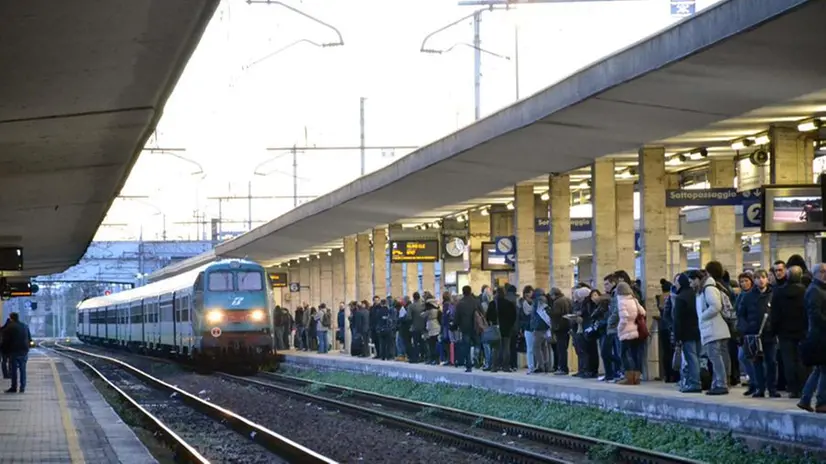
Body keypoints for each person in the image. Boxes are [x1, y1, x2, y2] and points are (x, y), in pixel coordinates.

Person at [689, 269, 731, 396]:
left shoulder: (709, 289)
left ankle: (721, 384)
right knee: (717, 358)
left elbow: (716, 306)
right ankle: (717, 383)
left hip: (714, 329)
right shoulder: (703, 290)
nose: (690, 285)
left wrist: (702, 316)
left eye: (691, 281)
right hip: (713, 329)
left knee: (716, 358)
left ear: (697, 279)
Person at [772, 266, 808, 399]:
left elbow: (775, 314)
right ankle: (803, 387)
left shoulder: (779, 292)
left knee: (788, 361)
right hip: (802, 330)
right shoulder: (806, 292)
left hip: (784, 331)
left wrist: (774, 330)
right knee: (801, 360)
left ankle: (792, 389)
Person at [798, 263, 826, 413]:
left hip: (819, 335)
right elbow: (815, 315)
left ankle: (806, 398)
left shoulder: (818, 289)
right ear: (816, 273)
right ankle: (821, 402)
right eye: (823, 271)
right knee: (823, 369)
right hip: (819, 337)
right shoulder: (815, 290)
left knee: (819, 369)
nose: (825, 274)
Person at [672, 273, 702, 393]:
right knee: (697, 357)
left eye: (676, 282)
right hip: (698, 331)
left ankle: (694, 383)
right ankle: (695, 380)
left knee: (691, 358)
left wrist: (677, 337)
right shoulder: (695, 294)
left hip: (686, 332)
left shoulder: (680, 298)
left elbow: (678, 319)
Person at [616, 282, 646, 385]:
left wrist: (619, 329)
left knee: (624, 354)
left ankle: (629, 378)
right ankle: (636, 378)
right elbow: (643, 312)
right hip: (636, 331)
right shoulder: (634, 300)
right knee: (634, 355)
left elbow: (624, 318)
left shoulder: (621, 302)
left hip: (626, 331)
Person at [2, 313, 31, 393]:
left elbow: (6, 341)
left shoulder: (9, 327)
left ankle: (14, 387)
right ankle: (22, 387)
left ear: (11, 318)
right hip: (24, 351)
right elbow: (29, 338)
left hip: (14, 351)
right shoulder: (25, 326)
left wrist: (4, 351)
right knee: (23, 370)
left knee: (14, 371)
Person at [455, 285, 481, 372]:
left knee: (467, 346)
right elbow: (482, 313)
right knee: (477, 343)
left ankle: (469, 365)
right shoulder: (476, 302)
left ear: (463, 292)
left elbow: (457, 317)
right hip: (475, 326)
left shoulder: (460, 303)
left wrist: (455, 325)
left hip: (465, 327)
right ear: (470, 291)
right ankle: (476, 356)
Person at [494, 286, 517, 372]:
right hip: (507, 328)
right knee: (506, 347)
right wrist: (510, 325)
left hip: (496, 327)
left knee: (497, 347)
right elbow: (514, 316)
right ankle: (505, 366)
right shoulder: (509, 303)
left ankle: (496, 365)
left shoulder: (494, 303)